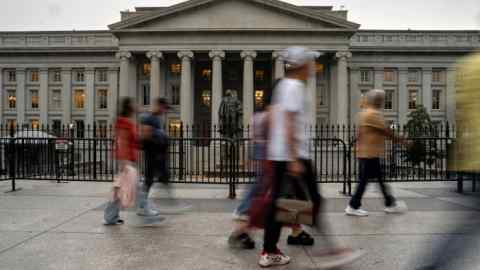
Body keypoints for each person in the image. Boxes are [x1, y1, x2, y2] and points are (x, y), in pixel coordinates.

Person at [260, 47, 362, 268]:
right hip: (292, 155)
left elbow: (275, 117)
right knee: (313, 201)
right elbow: (288, 120)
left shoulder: (284, 86)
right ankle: (332, 251)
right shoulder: (295, 87)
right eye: (310, 63)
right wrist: (295, 157)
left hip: (281, 154)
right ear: (302, 65)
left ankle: (269, 250)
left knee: (284, 203)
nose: (313, 68)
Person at [228, 84, 314, 250]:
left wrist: (253, 158)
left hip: (270, 158)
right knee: (273, 200)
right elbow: (280, 138)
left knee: (288, 197)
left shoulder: (260, 114)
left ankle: (296, 231)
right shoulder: (274, 113)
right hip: (276, 159)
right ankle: (242, 232)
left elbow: (254, 139)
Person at [345, 89, 407, 217]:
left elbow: (362, 134)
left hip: (366, 152)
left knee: (378, 179)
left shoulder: (364, 113)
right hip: (369, 154)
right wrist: (403, 141)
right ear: (378, 101)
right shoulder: (373, 114)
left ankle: (389, 204)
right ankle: (353, 206)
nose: (382, 102)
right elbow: (386, 131)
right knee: (365, 181)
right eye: (381, 100)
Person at [104, 97, 165, 225]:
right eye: (134, 104)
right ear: (130, 107)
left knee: (119, 189)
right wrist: (124, 162)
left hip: (125, 160)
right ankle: (146, 212)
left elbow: (129, 141)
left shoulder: (123, 121)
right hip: (126, 161)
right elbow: (123, 142)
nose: (137, 105)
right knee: (136, 188)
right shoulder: (126, 123)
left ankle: (110, 217)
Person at [140, 97, 190, 215]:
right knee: (149, 180)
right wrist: (159, 140)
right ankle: (143, 206)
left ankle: (170, 203)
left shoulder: (156, 119)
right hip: (153, 154)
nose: (165, 111)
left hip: (158, 154)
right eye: (164, 108)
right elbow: (146, 135)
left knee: (162, 178)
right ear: (159, 106)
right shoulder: (150, 118)